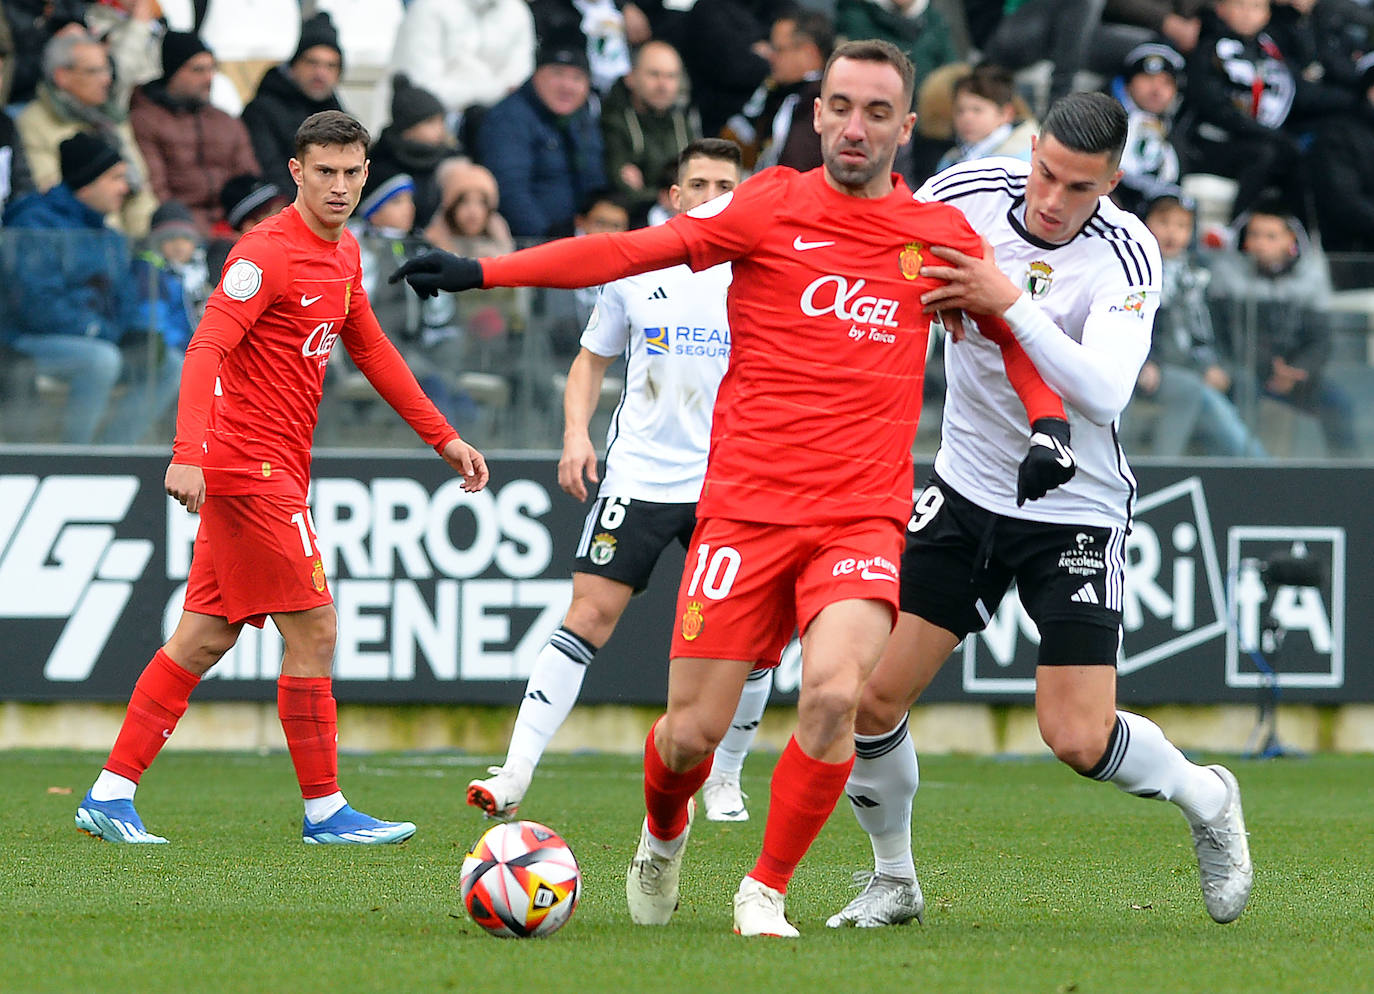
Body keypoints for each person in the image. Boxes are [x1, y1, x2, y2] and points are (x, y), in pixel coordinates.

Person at [394, 39, 1075, 936]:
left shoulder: (936, 237)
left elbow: (1005, 328)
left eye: (878, 112)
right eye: (841, 107)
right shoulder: (766, 206)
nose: (856, 127)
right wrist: (486, 269)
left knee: (836, 695)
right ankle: (663, 834)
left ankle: (766, 888)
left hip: (860, 519)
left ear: (907, 128)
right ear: (818, 111)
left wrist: (1049, 420)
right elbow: (634, 250)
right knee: (688, 737)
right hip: (745, 514)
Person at [825, 93, 1254, 932]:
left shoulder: (1128, 252)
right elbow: (881, 252)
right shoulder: (963, 192)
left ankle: (1207, 796)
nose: (1053, 199)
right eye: (1046, 174)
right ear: (1031, 149)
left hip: (1076, 510)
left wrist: (1001, 296)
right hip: (964, 488)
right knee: (869, 702)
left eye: (1079, 187)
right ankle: (895, 880)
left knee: (1076, 737)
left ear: (1114, 182)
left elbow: (1103, 392)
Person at [73, 110, 489, 846]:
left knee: (203, 638)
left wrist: (445, 439)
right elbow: (204, 351)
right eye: (323, 172)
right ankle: (326, 811)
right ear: (295, 172)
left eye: (351, 173)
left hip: (275, 468)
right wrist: (188, 451)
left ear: (366, 174)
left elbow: (376, 352)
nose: (338, 186)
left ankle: (110, 793)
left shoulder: (344, 252)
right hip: (247, 469)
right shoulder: (264, 253)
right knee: (317, 627)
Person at [467, 138, 774, 824]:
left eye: (727, 183)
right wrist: (576, 433)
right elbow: (590, 360)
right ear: (677, 196)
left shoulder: (760, 271)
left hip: (730, 484)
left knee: (753, 637)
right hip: (638, 476)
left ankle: (725, 779)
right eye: (699, 182)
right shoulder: (638, 267)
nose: (713, 194)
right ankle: (515, 771)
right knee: (588, 616)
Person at [3, 133, 180, 445]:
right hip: (28, 342)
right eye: (116, 178)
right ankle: (79, 456)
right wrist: (99, 331)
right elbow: (36, 306)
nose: (125, 189)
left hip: (97, 337)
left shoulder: (108, 235)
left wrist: (132, 332)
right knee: (101, 361)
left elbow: (124, 297)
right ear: (88, 182)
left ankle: (115, 451)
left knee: (169, 365)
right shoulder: (34, 224)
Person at [1208, 199, 1358, 456]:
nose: (1261, 243)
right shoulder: (1227, 275)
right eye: (1255, 235)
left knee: (1339, 404)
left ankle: (1348, 477)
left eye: (1271, 236)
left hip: (1296, 376)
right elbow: (1223, 335)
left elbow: (1320, 338)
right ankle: (1249, 473)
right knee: (1243, 400)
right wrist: (1262, 368)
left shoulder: (1310, 278)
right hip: (1244, 373)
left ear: (1291, 241)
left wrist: (1298, 370)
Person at [1125, 191, 1264, 456]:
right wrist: (1147, 362)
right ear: (1145, 223)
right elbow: (1135, 325)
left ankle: (1236, 471)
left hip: (1199, 366)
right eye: (1164, 222)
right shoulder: (1135, 268)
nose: (1172, 233)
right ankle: (1258, 467)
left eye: (1182, 226)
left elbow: (1216, 331)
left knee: (1246, 383)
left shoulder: (1201, 273)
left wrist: (1217, 366)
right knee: (1198, 394)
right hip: (1159, 368)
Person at [16, 31, 159, 236]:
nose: (106, 80)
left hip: (124, 246)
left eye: (107, 70)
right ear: (62, 76)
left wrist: (147, 244)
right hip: (78, 241)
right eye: (95, 72)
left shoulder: (113, 120)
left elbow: (140, 190)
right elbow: (53, 192)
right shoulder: (35, 123)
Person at [129, 31, 262, 234]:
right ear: (173, 72)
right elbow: (157, 190)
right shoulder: (146, 119)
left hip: (232, 223)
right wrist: (208, 233)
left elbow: (248, 177)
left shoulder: (225, 121)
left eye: (212, 69)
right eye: (198, 70)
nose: (208, 78)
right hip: (181, 228)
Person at [475, 38, 605, 239]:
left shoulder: (583, 118)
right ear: (536, 75)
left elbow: (596, 184)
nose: (567, 86)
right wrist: (549, 242)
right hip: (530, 244)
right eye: (557, 74)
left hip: (579, 240)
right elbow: (510, 193)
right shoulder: (509, 118)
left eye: (577, 78)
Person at [241, 12, 346, 196]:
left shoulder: (337, 113)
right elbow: (269, 170)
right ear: (294, 65)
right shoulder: (261, 111)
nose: (320, 73)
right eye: (312, 63)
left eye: (330, 66)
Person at [601, 41, 701, 223]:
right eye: (654, 74)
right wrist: (672, 196)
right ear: (631, 77)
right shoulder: (614, 121)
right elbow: (622, 190)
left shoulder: (682, 122)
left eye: (671, 76)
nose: (663, 85)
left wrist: (650, 190)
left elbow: (697, 186)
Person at [1108, 42, 1184, 215]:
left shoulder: (1176, 131)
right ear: (1128, 83)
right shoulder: (1104, 120)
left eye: (1166, 83)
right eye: (1148, 79)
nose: (1157, 90)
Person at [935, 63, 1035, 171]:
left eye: (977, 110)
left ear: (1006, 114)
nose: (967, 118)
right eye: (960, 111)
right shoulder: (950, 160)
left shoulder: (1023, 159)